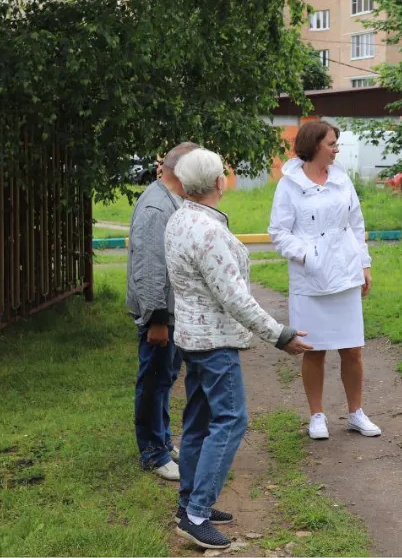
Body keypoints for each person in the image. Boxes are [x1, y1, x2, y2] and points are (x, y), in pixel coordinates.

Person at [166, 148, 312, 550]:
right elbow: (235, 299)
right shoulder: (208, 231)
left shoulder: (180, 218)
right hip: (213, 343)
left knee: (198, 421)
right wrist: (280, 335)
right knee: (231, 420)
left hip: (192, 340)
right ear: (219, 182)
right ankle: (196, 514)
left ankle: (189, 505)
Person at [268, 120, 381, 441]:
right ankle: (316, 416)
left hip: (345, 274)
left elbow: (356, 225)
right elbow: (278, 233)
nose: (336, 149)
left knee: (353, 349)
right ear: (314, 145)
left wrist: (364, 264)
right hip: (310, 281)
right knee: (314, 350)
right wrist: (308, 255)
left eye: (336, 144)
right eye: (331, 143)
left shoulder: (342, 179)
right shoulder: (289, 185)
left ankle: (356, 413)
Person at [127, 142, 197, 481]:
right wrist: (156, 319)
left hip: (169, 312)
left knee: (165, 379)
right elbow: (151, 268)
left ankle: (162, 441)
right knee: (154, 380)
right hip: (160, 315)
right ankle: (152, 453)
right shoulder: (157, 208)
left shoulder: (170, 199)